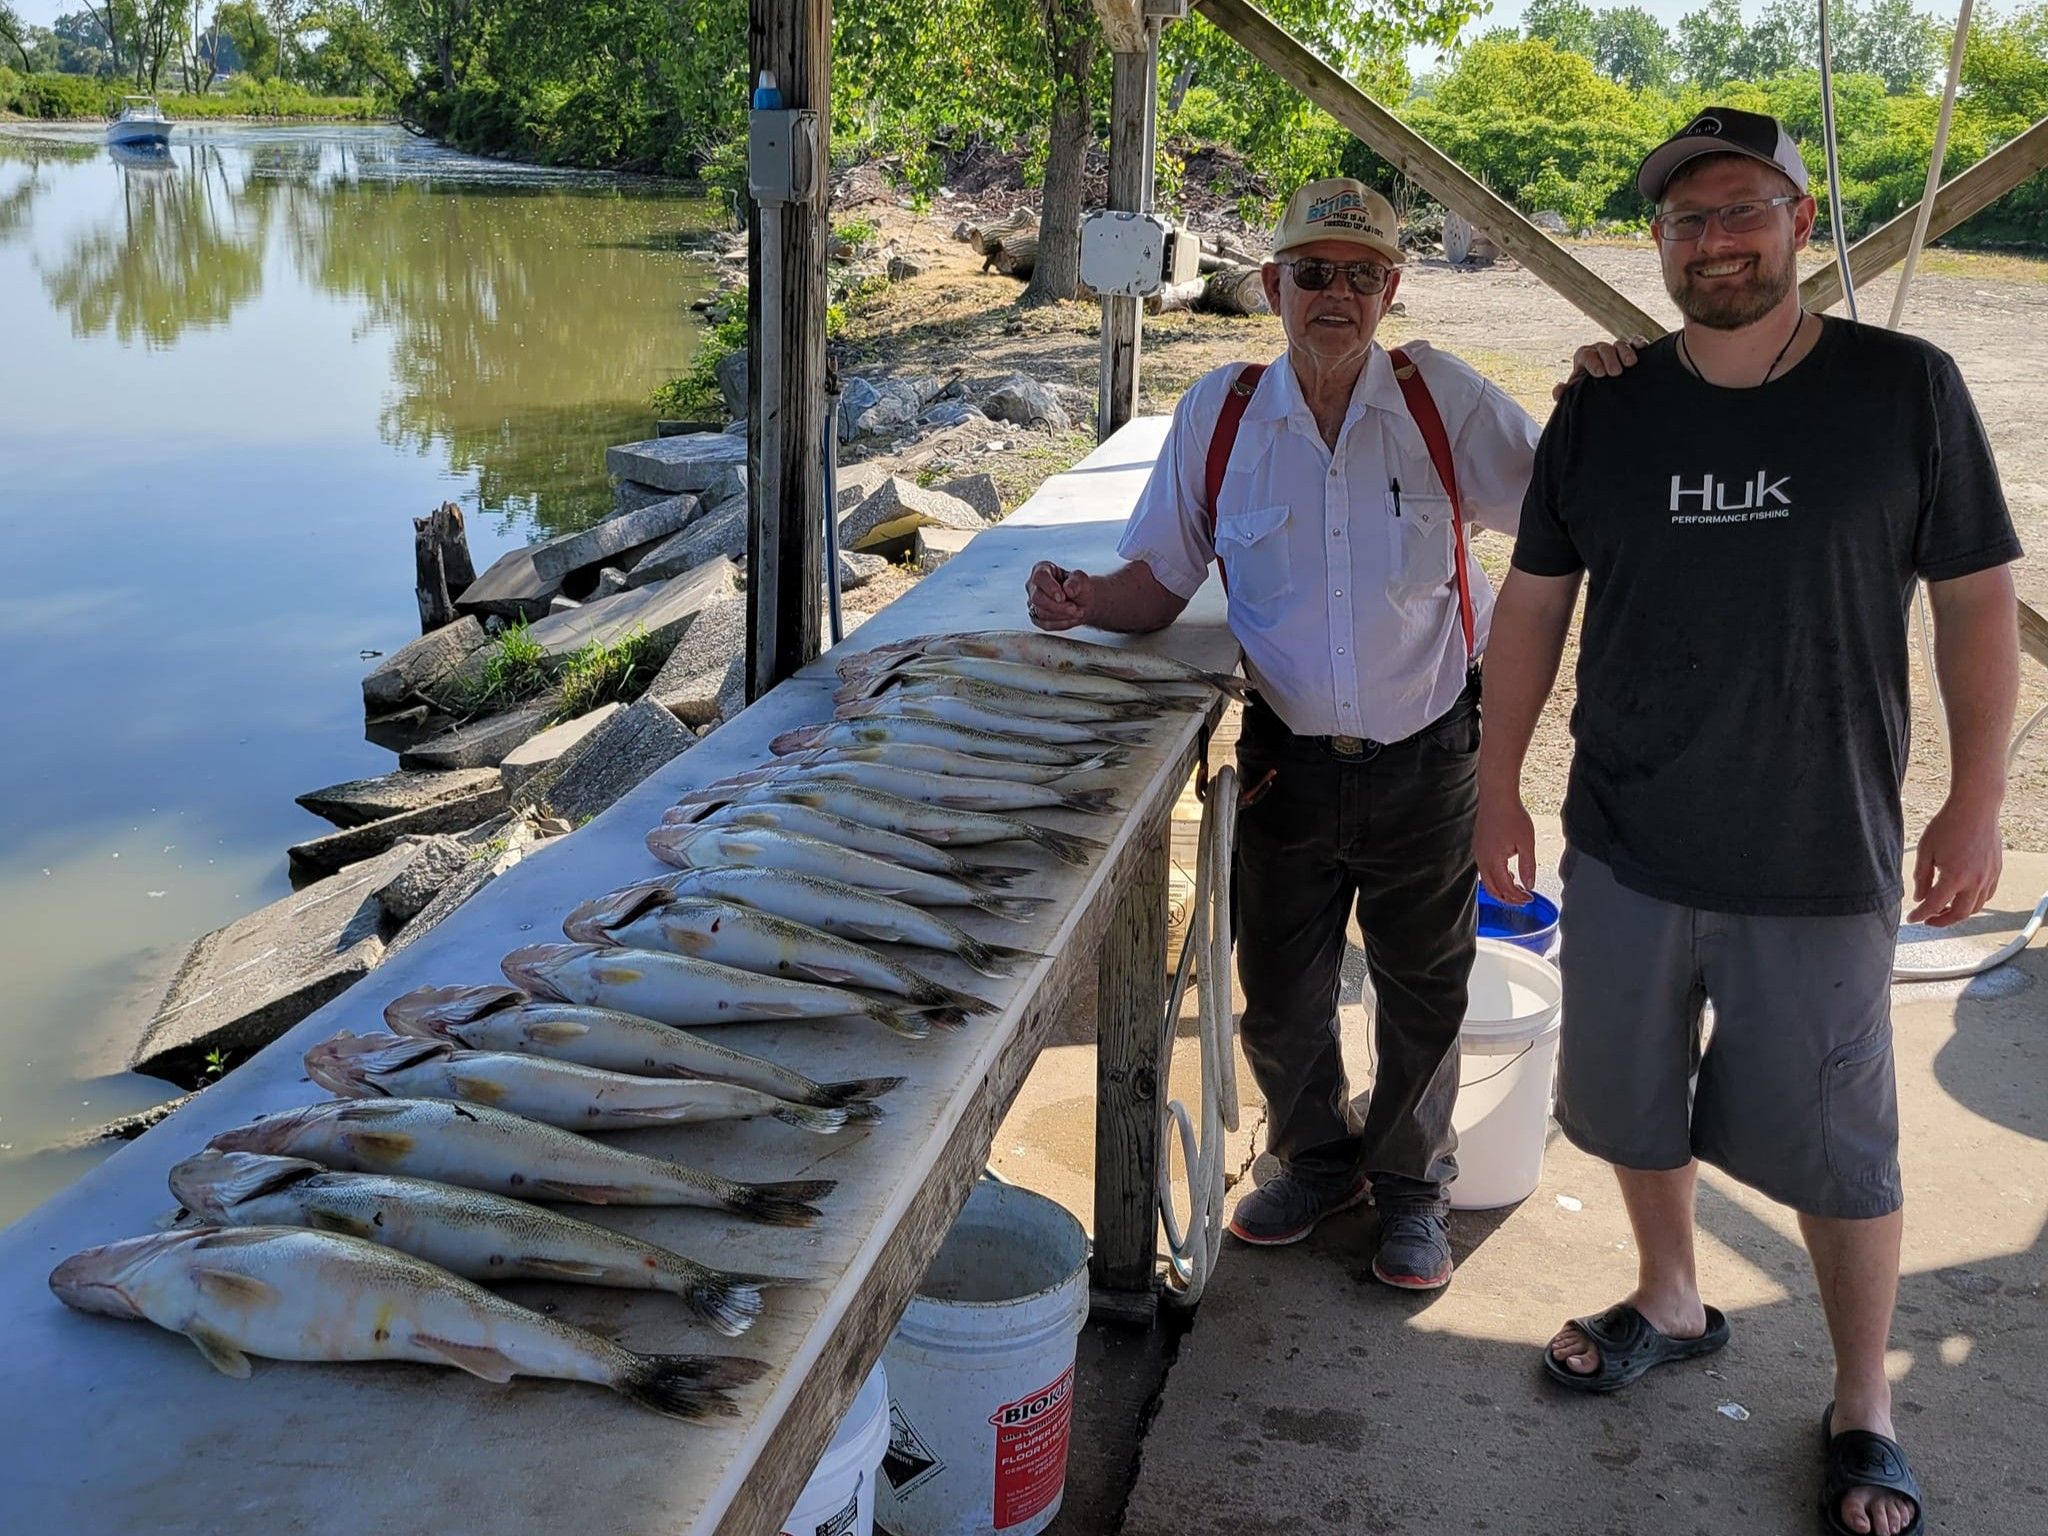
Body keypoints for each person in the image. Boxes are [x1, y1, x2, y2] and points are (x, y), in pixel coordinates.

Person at [1475, 108, 2021, 1536]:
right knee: (1631, 1104)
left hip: (1819, 853)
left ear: (1797, 222)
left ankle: (1863, 1404)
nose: (1716, 240)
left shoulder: (1907, 388)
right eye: (1686, 220)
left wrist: (1976, 797)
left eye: (1741, 211)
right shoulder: (1604, 403)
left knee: (1846, 1152)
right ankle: (1672, 1293)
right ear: (1657, 245)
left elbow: (1975, 601)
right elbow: (1533, 608)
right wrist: (1491, 791)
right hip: (1627, 839)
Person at [1025, 178, 1540, 1290]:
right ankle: (1315, 1161)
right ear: (1272, 286)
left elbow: (1562, 513)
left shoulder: (1440, 399)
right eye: (1313, 272)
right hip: (1285, 764)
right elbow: (1158, 583)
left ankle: (1410, 1191)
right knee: (1279, 990)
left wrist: (1609, 395)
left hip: (1430, 753)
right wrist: (1082, 601)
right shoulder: (1218, 416)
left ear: (1391, 289)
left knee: (1423, 989)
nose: (1336, 294)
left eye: (1362, 274)